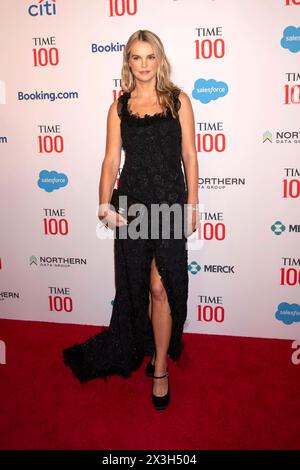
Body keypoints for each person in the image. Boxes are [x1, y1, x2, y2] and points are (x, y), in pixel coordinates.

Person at [63, 30, 199, 411]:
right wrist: (103, 203)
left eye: (150, 57)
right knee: (137, 286)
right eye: (136, 58)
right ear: (128, 62)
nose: (143, 65)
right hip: (134, 206)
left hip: (170, 206)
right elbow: (110, 160)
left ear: (159, 60)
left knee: (161, 287)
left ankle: (159, 367)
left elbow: (189, 155)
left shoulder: (178, 102)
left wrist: (192, 204)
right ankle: (145, 348)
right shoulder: (119, 108)